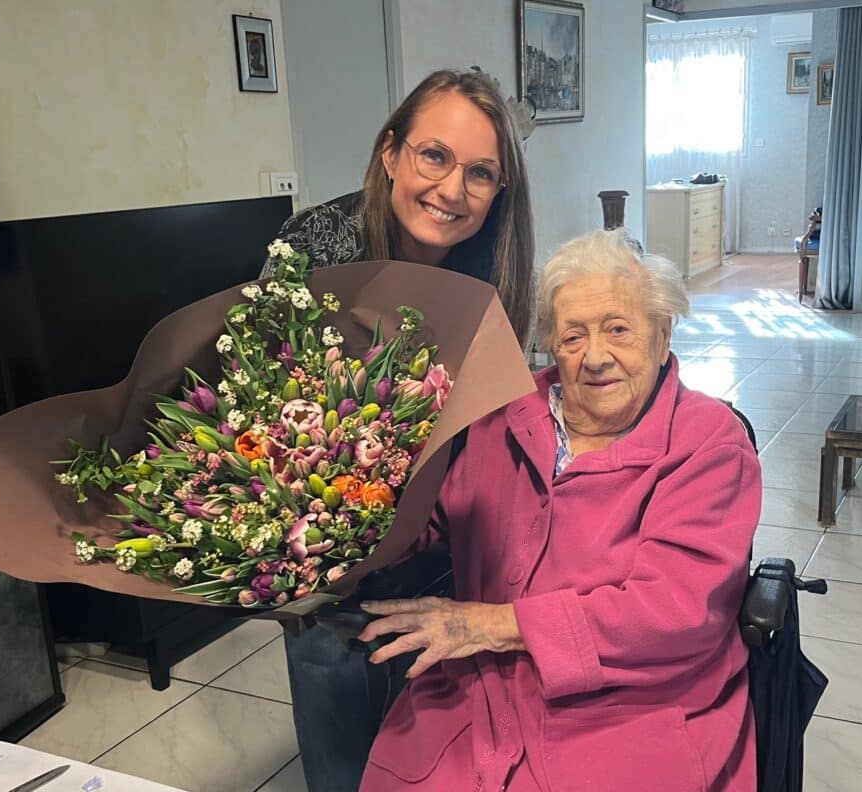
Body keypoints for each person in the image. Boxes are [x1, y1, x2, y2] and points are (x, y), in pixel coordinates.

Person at [359, 229, 761, 791]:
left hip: (634, 709)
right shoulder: (502, 414)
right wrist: (343, 530)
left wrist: (490, 624)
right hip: (480, 690)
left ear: (662, 334)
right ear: (550, 345)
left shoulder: (707, 442)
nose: (595, 357)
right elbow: (440, 514)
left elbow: (673, 612)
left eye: (618, 329)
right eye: (573, 336)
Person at [260, 69, 536, 792]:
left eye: (480, 173)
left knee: (440, 748)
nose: (452, 190)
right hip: (328, 549)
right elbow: (266, 404)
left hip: (447, 543)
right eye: (434, 156)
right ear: (390, 152)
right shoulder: (318, 244)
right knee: (341, 727)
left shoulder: (495, 264)